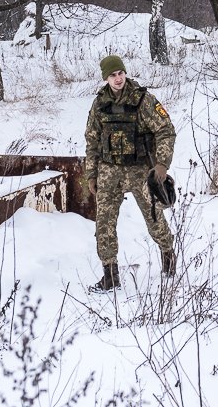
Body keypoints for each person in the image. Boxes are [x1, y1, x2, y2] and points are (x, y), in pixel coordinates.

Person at [84, 54, 176, 291]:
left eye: (121, 73)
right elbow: (92, 140)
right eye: (113, 75)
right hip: (108, 172)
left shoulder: (143, 100)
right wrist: (91, 174)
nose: (118, 79)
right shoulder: (99, 104)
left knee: (154, 218)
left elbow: (165, 130)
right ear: (106, 77)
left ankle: (168, 257)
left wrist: (161, 165)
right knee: (103, 224)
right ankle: (110, 275)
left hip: (139, 170)